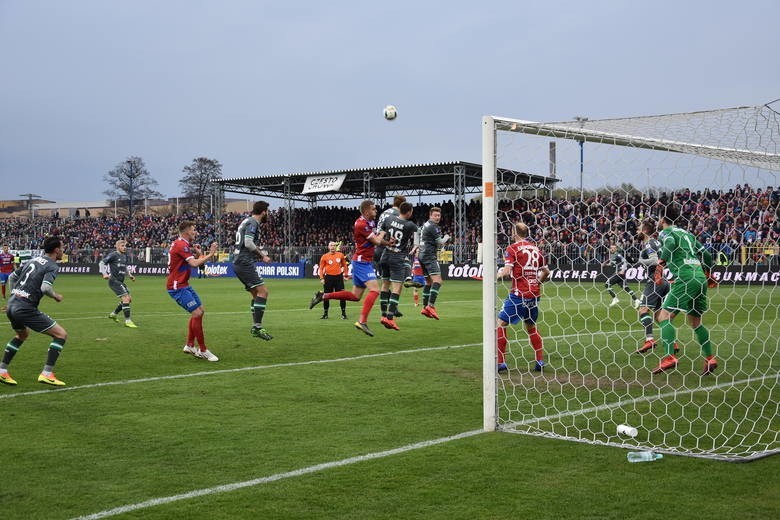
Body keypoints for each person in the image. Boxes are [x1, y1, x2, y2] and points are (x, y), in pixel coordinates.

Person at [651, 206, 719, 375]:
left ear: (662, 219)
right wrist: (708, 272)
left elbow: (671, 243)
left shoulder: (666, 233)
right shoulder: (688, 234)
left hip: (684, 276)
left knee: (663, 316)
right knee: (696, 322)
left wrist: (660, 265)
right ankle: (710, 358)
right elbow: (707, 256)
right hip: (699, 277)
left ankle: (669, 357)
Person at [309, 199, 388, 337]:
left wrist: (388, 243)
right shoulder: (361, 223)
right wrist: (383, 232)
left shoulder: (369, 222)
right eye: (374, 209)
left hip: (363, 262)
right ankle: (362, 321)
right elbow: (376, 240)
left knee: (355, 296)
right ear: (366, 211)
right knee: (375, 290)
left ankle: (323, 295)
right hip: (362, 262)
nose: (376, 211)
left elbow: (375, 241)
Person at [0, 236, 69, 386]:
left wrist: (14, 296)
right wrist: (56, 296)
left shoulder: (32, 260)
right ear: (56, 250)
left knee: (22, 334)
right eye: (62, 248)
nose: (63, 250)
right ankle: (47, 373)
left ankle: (2, 370)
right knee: (61, 335)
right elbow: (45, 288)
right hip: (25, 307)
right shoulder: (52, 266)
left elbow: (12, 276)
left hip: (12, 305)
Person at [496, 222, 550, 373]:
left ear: (514, 233)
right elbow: (546, 272)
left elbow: (506, 272)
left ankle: (501, 363)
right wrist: (537, 283)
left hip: (518, 294)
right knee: (531, 327)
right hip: (534, 294)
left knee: (500, 324)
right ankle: (539, 361)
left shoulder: (512, 248)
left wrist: (496, 275)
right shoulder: (536, 249)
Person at [167, 220, 220, 361]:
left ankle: (190, 345)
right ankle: (203, 349)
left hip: (184, 284)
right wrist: (211, 254)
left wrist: (198, 253)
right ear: (186, 231)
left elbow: (192, 262)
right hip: (177, 286)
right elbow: (194, 264)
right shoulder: (181, 245)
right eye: (193, 230)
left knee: (200, 311)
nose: (195, 232)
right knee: (196, 313)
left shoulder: (182, 244)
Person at [633, 221, 678, 355]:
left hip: (654, 280)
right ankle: (672, 341)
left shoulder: (649, 243)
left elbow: (654, 260)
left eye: (639, 229)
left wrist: (639, 261)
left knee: (643, 310)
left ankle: (649, 340)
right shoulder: (658, 242)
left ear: (645, 231)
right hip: (662, 280)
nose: (637, 231)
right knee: (660, 315)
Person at [231, 200, 273, 340]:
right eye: (267, 211)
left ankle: (256, 326)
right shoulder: (253, 222)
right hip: (244, 262)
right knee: (263, 292)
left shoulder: (246, 221)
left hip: (238, 261)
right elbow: (248, 243)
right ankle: (257, 327)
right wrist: (263, 256)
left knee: (256, 294)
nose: (267, 214)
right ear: (263, 212)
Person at [378, 201, 418, 330]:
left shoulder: (389, 219)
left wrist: (387, 242)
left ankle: (383, 315)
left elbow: (379, 237)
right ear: (409, 212)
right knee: (396, 288)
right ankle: (389, 318)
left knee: (384, 285)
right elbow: (418, 236)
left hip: (385, 255)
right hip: (397, 257)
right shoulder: (410, 225)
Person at [375, 195, 406, 317]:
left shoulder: (384, 213)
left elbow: (379, 231)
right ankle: (393, 309)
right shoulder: (397, 214)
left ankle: (384, 311)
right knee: (397, 282)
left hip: (378, 248)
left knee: (385, 282)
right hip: (389, 248)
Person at [418, 206, 450, 320]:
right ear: (430, 215)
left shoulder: (425, 224)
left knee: (428, 282)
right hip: (429, 256)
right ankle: (430, 306)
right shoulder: (433, 226)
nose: (437, 217)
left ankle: (424, 307)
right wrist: (447, 237)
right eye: (435, 215)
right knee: (438, 281)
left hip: (421, 255)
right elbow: (440, 242)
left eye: (439, 215)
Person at [100, 239, 137, 328]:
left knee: (129, 299)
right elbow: (101, 263)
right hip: (114, 280)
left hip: (120, 281)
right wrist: (104, 274)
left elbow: (125, 267)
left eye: (125, 246)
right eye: (122, 246)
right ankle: (128, 321)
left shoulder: (124, 256)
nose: (124, 248)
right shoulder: (113, 255)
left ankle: (114, 314)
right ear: (117, 246)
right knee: (126, 298)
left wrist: (130, 275)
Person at [318, 241, 348, 320]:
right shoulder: (324, 256)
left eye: (334, 245)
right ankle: (325, 314)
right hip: (328, 278)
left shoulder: (340, 255)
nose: (333, 247)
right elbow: (321, 268)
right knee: (326, 296)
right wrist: (321, 278)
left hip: (339, 278)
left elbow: (345, 265)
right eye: (331, 245)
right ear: (328, 247)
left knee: (342, 296)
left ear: (336, 247)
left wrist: (346, 275)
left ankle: (344, 314)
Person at [603, 244, 640, 308]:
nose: (612, 249)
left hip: (619, 273)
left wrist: (622, 270)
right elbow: (611, 264)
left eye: (613, 248)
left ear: (616, 249)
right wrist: (605, 264)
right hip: (619, 273)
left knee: (607, 284)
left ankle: (615, 299)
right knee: (625, 287)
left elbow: (625, 261)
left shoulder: (618, 255)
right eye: (611, 248)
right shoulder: (612, 256)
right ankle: (636, 300)